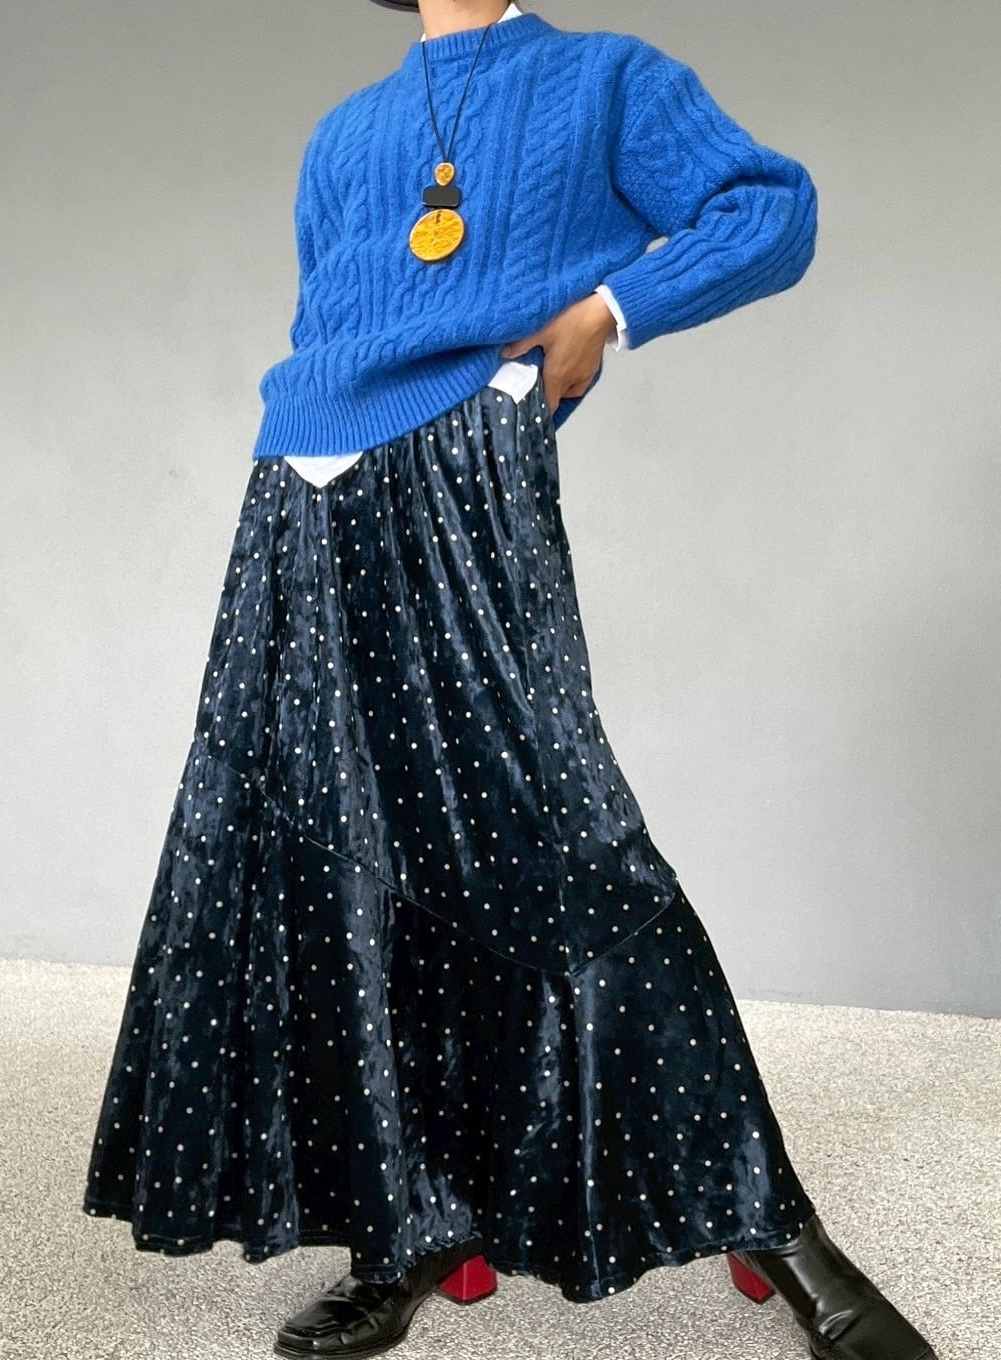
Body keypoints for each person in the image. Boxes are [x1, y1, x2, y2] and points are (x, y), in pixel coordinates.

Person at [81, 4, 940, 1359]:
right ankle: (414, 1220)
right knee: (343, 851)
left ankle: (768, 1216)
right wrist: (310, 439)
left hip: (462, 460)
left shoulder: (605, 77)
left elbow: (771, 210)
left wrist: (611, 311)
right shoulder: (344, 133)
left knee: (564, 839)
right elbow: (330, 309)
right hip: (297, 486)